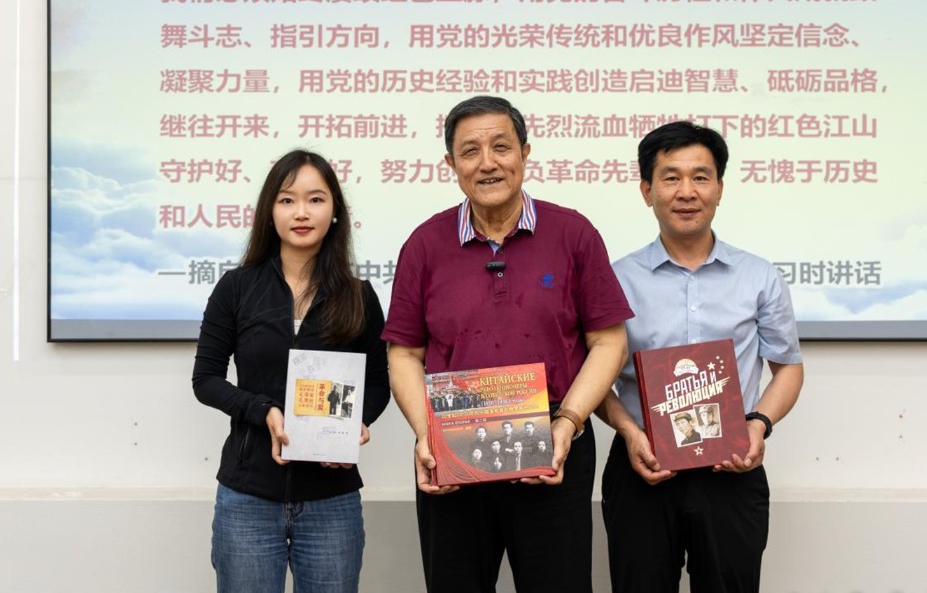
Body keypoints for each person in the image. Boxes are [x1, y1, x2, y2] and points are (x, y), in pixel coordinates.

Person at [382, 95, 632, 593]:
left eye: (501, 147)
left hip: (554, 442)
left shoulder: (574, 233)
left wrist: (568, 423)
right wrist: (427, 436)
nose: (488, 163)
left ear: (525, 153)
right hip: (452, 441)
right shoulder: (425, 244)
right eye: (470, 151)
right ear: (451, 164)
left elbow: (608, 342)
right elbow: (404, 352)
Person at [595, 122, 804, 593]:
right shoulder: (616, 280)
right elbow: (593, 379)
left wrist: (758, 425)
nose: (686, 192)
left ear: (720, 189)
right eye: (671, 178)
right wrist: (629, 432)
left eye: (700, 177)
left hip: (732, 469)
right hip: (642, 466)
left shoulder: (758, 277)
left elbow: (788, 367)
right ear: (646, 191)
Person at [192, 150, 391, 593]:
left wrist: (357, 422)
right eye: (287, 200)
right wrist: (263, 410)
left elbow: (379, 383)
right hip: (247, 496)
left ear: (335, 211)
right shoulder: (236, 287)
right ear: (270, 211)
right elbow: (205, 380)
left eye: (315, 199)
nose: (301, 212)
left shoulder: (359, 295)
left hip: (332, 499)